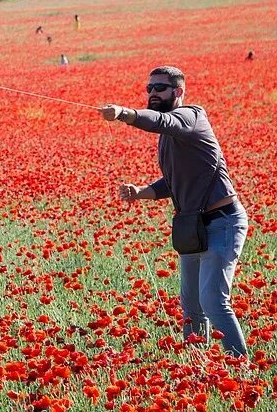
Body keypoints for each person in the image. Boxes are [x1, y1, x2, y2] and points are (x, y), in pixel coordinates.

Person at [100, 66, 248, 358]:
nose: (153, 93)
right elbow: (174, 179)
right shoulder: (168, 134)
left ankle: (238, 367)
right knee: (191, 306)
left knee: (213, 301)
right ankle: (198, 366)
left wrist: (124, 113)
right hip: (191, 227)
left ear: (178, 92)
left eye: (160, 88)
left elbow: (161, 121)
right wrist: (142, 192)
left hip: (222, 222)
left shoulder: (191, 117)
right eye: (149, 88)